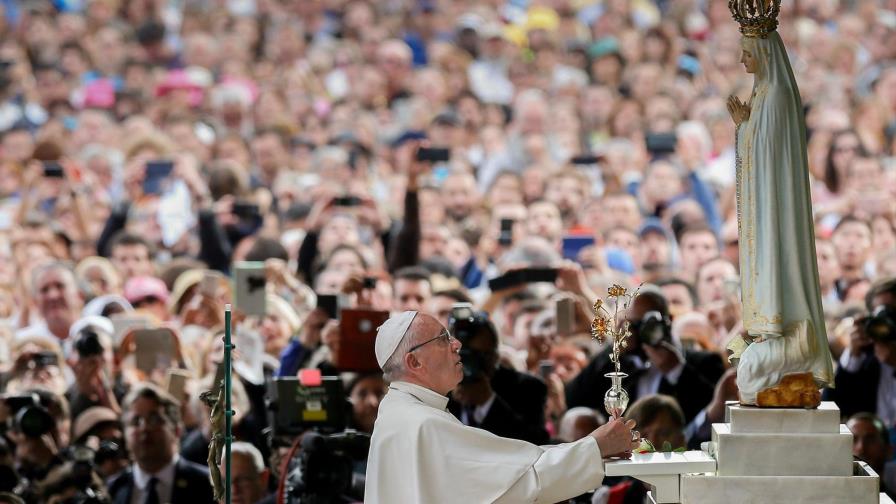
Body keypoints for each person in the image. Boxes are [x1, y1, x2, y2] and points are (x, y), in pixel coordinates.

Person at [365, 311, 639, 503]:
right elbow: (519, 481)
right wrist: (595, 446)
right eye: (443, 339)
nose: (457, 344)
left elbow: (511, 467)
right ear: (414, 362)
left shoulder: (401, 411)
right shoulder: (422, 424)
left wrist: (591, 448)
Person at [725, 2, 834, 405]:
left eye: (747, 52)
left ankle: (782, 335)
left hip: (774, 209)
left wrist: (744, 127)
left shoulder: (776, 95)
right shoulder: (766, 93)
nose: (742, 59)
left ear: (764, 52)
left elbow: (767, 155)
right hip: (765, 204)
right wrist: (746, 127)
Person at [108, 384, 214, 504]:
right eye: (135, 421)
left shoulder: (208, 485)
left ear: (176, 431)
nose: (144, 428)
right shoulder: (112, 490)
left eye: (154, 419)